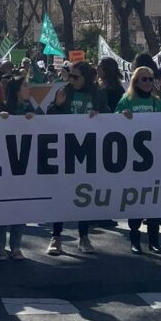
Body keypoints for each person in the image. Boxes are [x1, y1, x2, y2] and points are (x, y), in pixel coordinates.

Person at [47, 60, 109, 254]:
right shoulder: (66, 90)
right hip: (66, 148)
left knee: (84, 194)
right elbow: (49, 114)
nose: (71, 79)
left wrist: (99, 114)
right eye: (69, 76)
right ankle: (56, 236)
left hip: (89, 149)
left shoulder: (97, 94)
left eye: (75, 76)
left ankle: (84, 236)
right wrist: (57, 104)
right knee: (62, 193)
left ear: (86, 77)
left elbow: (108, 115)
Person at [116, 66, 161, 254]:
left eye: (150, 79)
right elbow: (112, 123)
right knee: (136, 202)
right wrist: (121, 116)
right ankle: (135, 239)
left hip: (154, 160)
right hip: (133, 160)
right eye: (144, 79)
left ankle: (154, 240)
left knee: (153, 202)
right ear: (135, 81)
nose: (148, 83)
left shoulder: (157, 102)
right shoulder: (127, 100)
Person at [0, 76, 41, 260]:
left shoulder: (31, 109)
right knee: (2, 207)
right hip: (4, 165)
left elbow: (48, 127)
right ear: (16, 90)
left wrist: (34, 119)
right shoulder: (1, 108)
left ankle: (16, 246)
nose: (29, 89)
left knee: (20, 206)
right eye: (26, 85)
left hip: (25, 166)